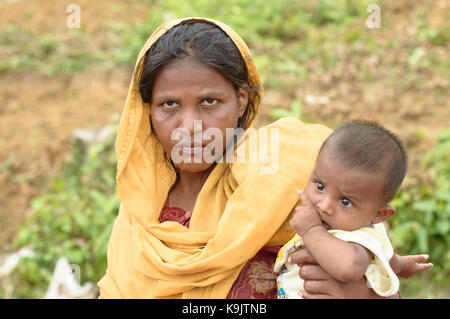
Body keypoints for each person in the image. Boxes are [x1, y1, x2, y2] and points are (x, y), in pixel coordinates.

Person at [97, 17, 423, 299]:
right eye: (169, 105)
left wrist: (362, 294)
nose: (189, 128)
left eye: (209, 101)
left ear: (240, 100)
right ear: (148, 112)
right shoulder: (142, 210)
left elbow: (378, 272)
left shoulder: (293, 177)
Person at [275, 120, 433, 298]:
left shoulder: (356, 237)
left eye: (345, 201)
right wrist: (401, 266)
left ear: (379, 214)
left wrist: (312, 230)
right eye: (320, 186)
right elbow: (383, 257)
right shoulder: (358, 224)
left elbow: (349, 268)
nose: (324, 206)